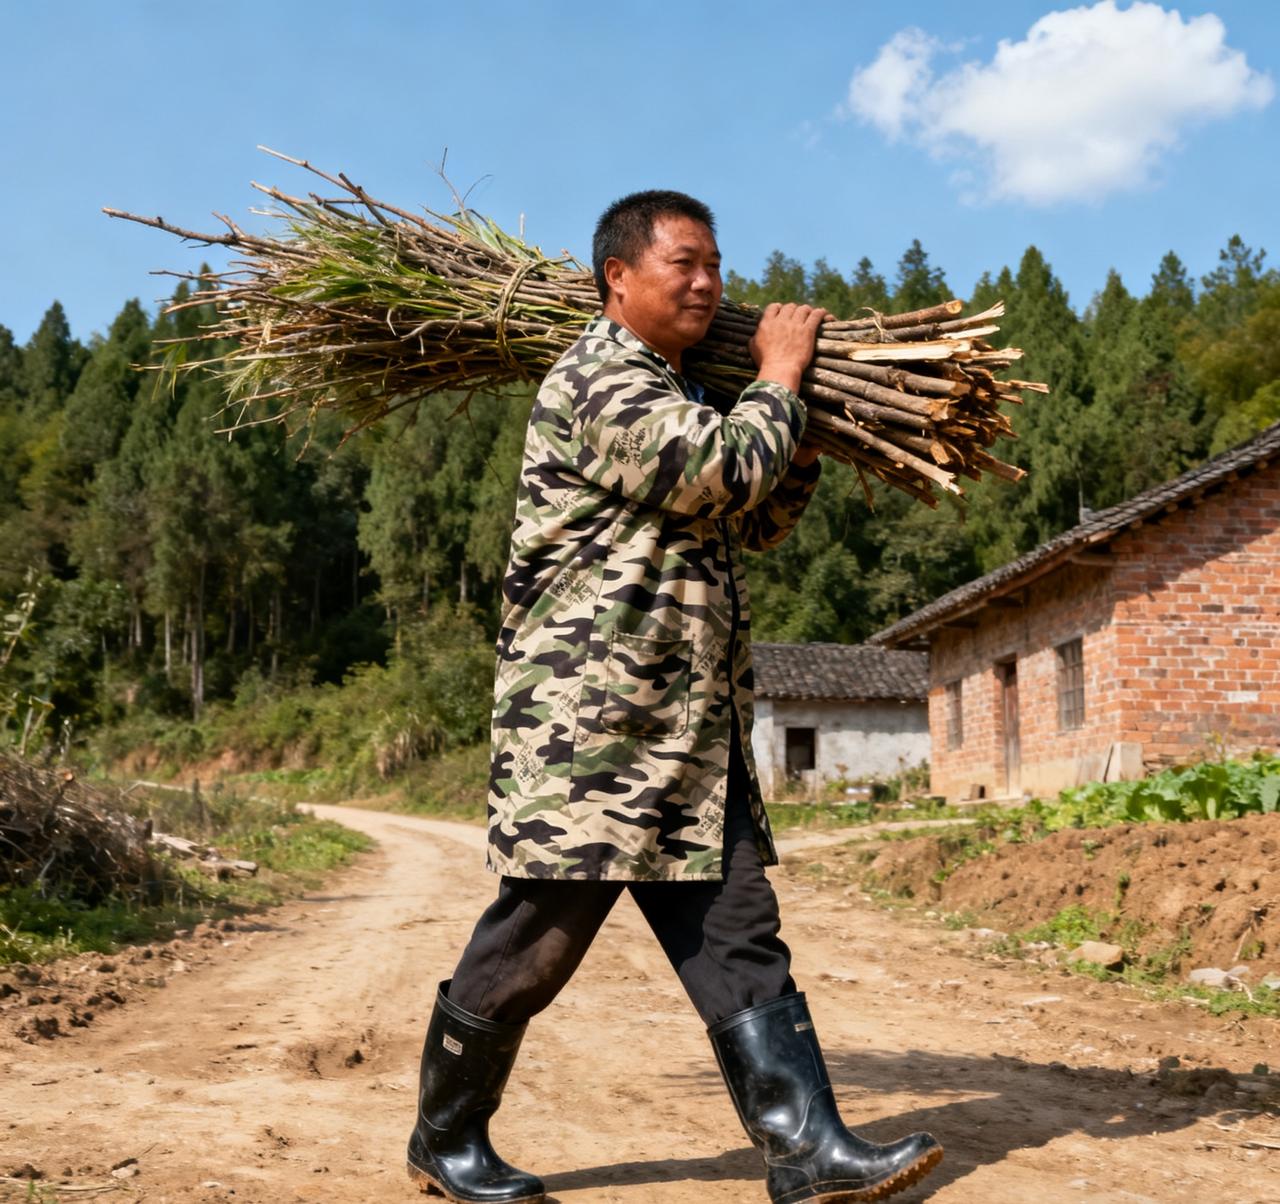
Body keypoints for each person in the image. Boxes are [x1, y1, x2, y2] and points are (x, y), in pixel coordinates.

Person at [406, 191, 943, 1204]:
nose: (706, 283)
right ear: (618, 277)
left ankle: (807, 1150)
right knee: (533, 940)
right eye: (682, 263)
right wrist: (780, 377)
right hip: (594, 734)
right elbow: (719, 471)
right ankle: (446, 1137)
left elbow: (754, 517)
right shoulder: (600, 378)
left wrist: (801, 437)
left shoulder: (681, 388)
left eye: (715, 266)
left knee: (738, 928)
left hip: (688, 730)